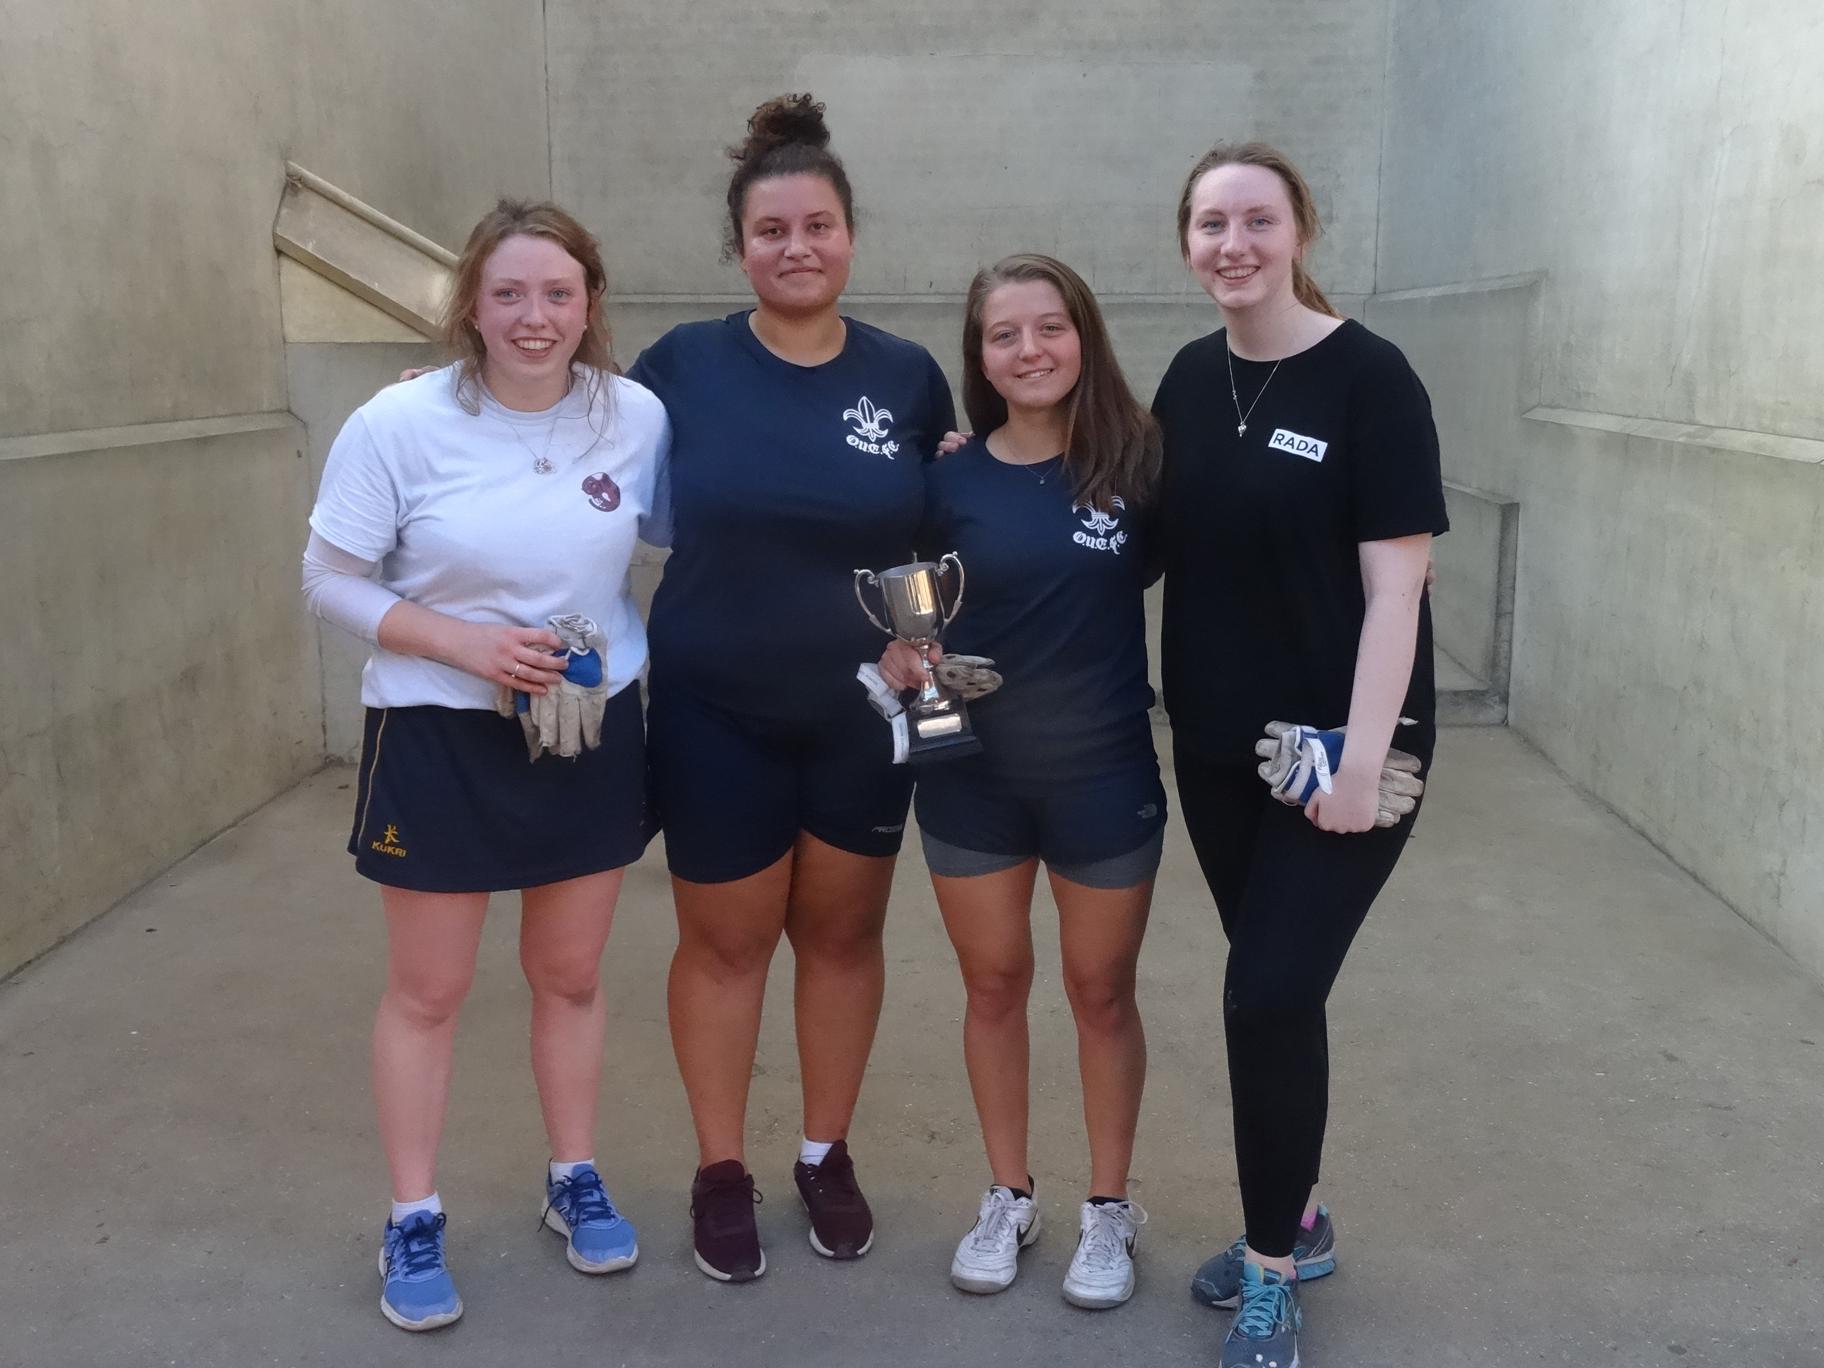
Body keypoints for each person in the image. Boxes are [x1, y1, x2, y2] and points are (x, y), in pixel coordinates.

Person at [301, 200, 669, 1331]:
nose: (534, 316)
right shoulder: (398, 420)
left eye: (558, 293)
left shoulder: (639, 415)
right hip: (438, 733)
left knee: (569, 975)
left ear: (590, 304)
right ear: (470, 301)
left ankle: (574, 1178)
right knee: (431, 991)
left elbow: (718, 518)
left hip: (586, 727)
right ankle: (412, 1214)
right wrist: (464, 644)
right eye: (508, 293)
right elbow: (329, 576)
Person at [623, 94, 956, 1281]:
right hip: (717, 711)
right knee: (724, 945)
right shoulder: (681, 369)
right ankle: (722, 1168)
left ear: (851, 235)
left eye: (818, 225)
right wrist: (444, 397)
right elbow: (561, 453)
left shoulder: (910, 379)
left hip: (861, 720)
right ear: (740, 246)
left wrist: (923, 661)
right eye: (772, 230)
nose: (797, 247)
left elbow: (927, 553)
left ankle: (825, 1151)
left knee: (843, 935)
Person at [1151, 144, 1448, 1366]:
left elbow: (1399, 593)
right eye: (1211, 222)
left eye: (1256, 220)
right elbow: (1136, 539)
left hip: (1347, 755)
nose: (1235, 243)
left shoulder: (1371, 379)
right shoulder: (1185, 377)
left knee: (1264, 994)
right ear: (1187, 241)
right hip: (1220, 751)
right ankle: (1303, 1213)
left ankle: (1272, 1266)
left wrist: (1365, 767)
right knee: (1278, 994)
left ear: (1299, 231)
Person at [877, 255, 1166, 1308]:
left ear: (1083, 336)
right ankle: (1008, 1194)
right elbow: (911, 595)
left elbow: (1236, 558)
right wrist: (911, 651)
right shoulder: (945, 477)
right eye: (1006, 334)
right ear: (981, 354)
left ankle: (1106, 1208)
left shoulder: (1138, 464)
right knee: (993, 985)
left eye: (1050, 328)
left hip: (1101, 775)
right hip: (971, 776)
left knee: (1100, 992)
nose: (1031, 350)